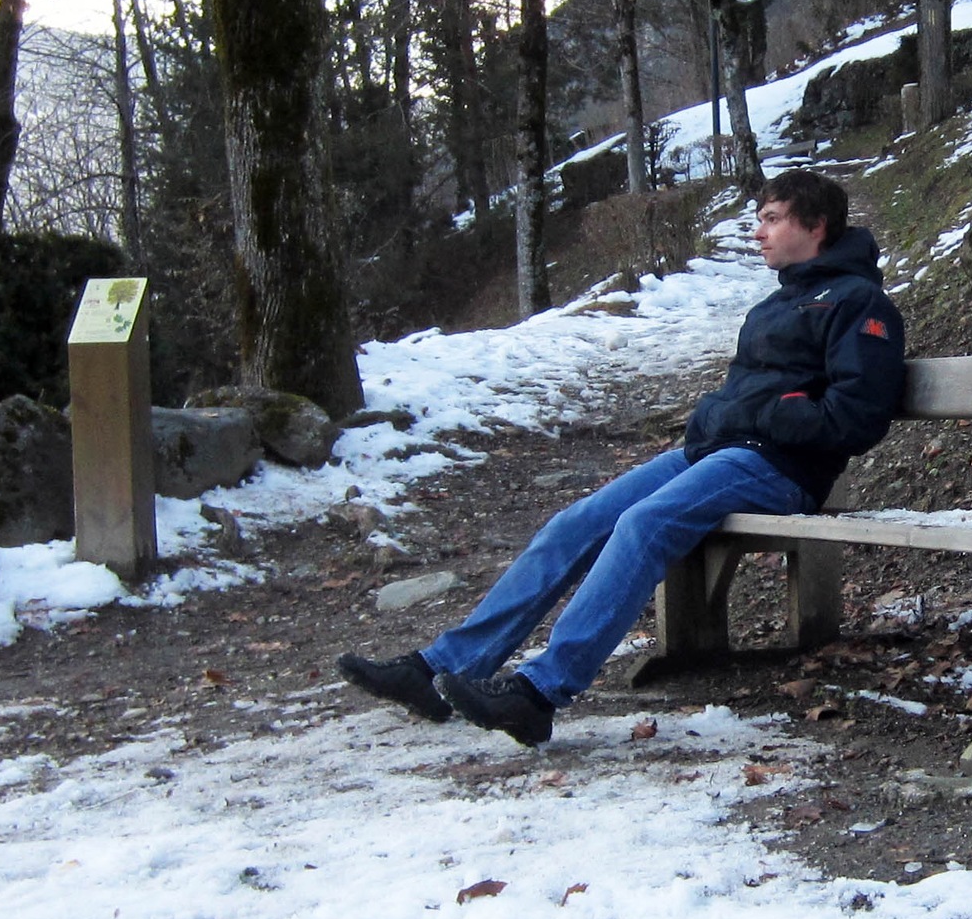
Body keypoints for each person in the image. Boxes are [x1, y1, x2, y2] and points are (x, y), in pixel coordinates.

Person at [338, 169, 906, 745]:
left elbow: (856, 418)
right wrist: (722, 413)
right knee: (575, 523)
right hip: (719, 453)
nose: (758, 232)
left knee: (644, 523)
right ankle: (439, 669)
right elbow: (749, 395)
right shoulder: (774, 304)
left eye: (772, 219)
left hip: (781, 470)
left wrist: (767, 413)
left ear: (816, 225)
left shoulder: (860, 304)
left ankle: (538, 693)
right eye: (760, 219)